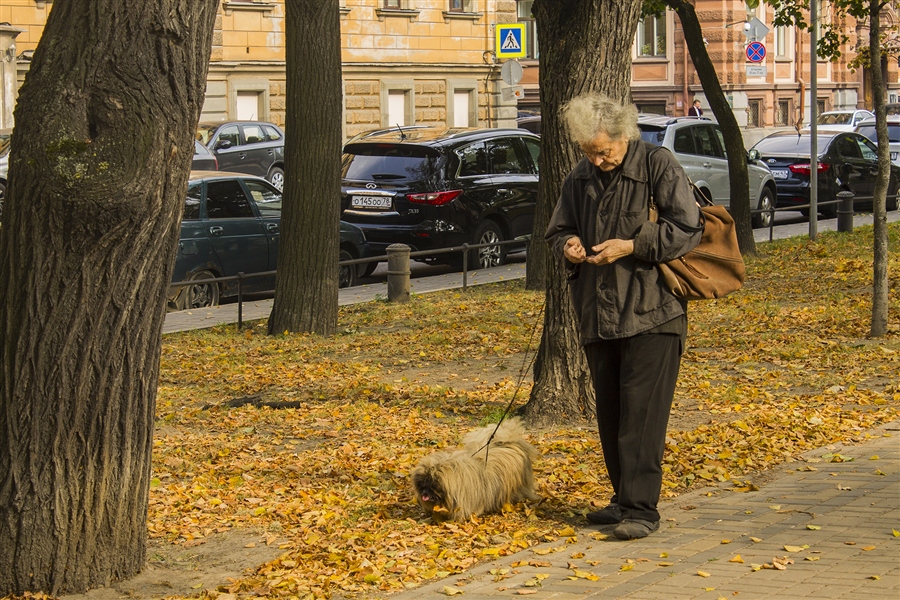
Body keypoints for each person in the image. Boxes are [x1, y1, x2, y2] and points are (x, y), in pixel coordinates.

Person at [545, 93, 702, 540]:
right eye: (589, 151)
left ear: (624, 135)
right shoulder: (580, 176)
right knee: (612, 413)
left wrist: (632, 246)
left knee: (642, 415)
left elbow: (688, 228)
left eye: (604, 150)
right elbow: (557, 230)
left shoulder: (657, 164)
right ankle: (621, 500)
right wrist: (569, 245)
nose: (598, 159)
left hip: (653, 310)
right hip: (599, 311)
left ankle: (641, 510)